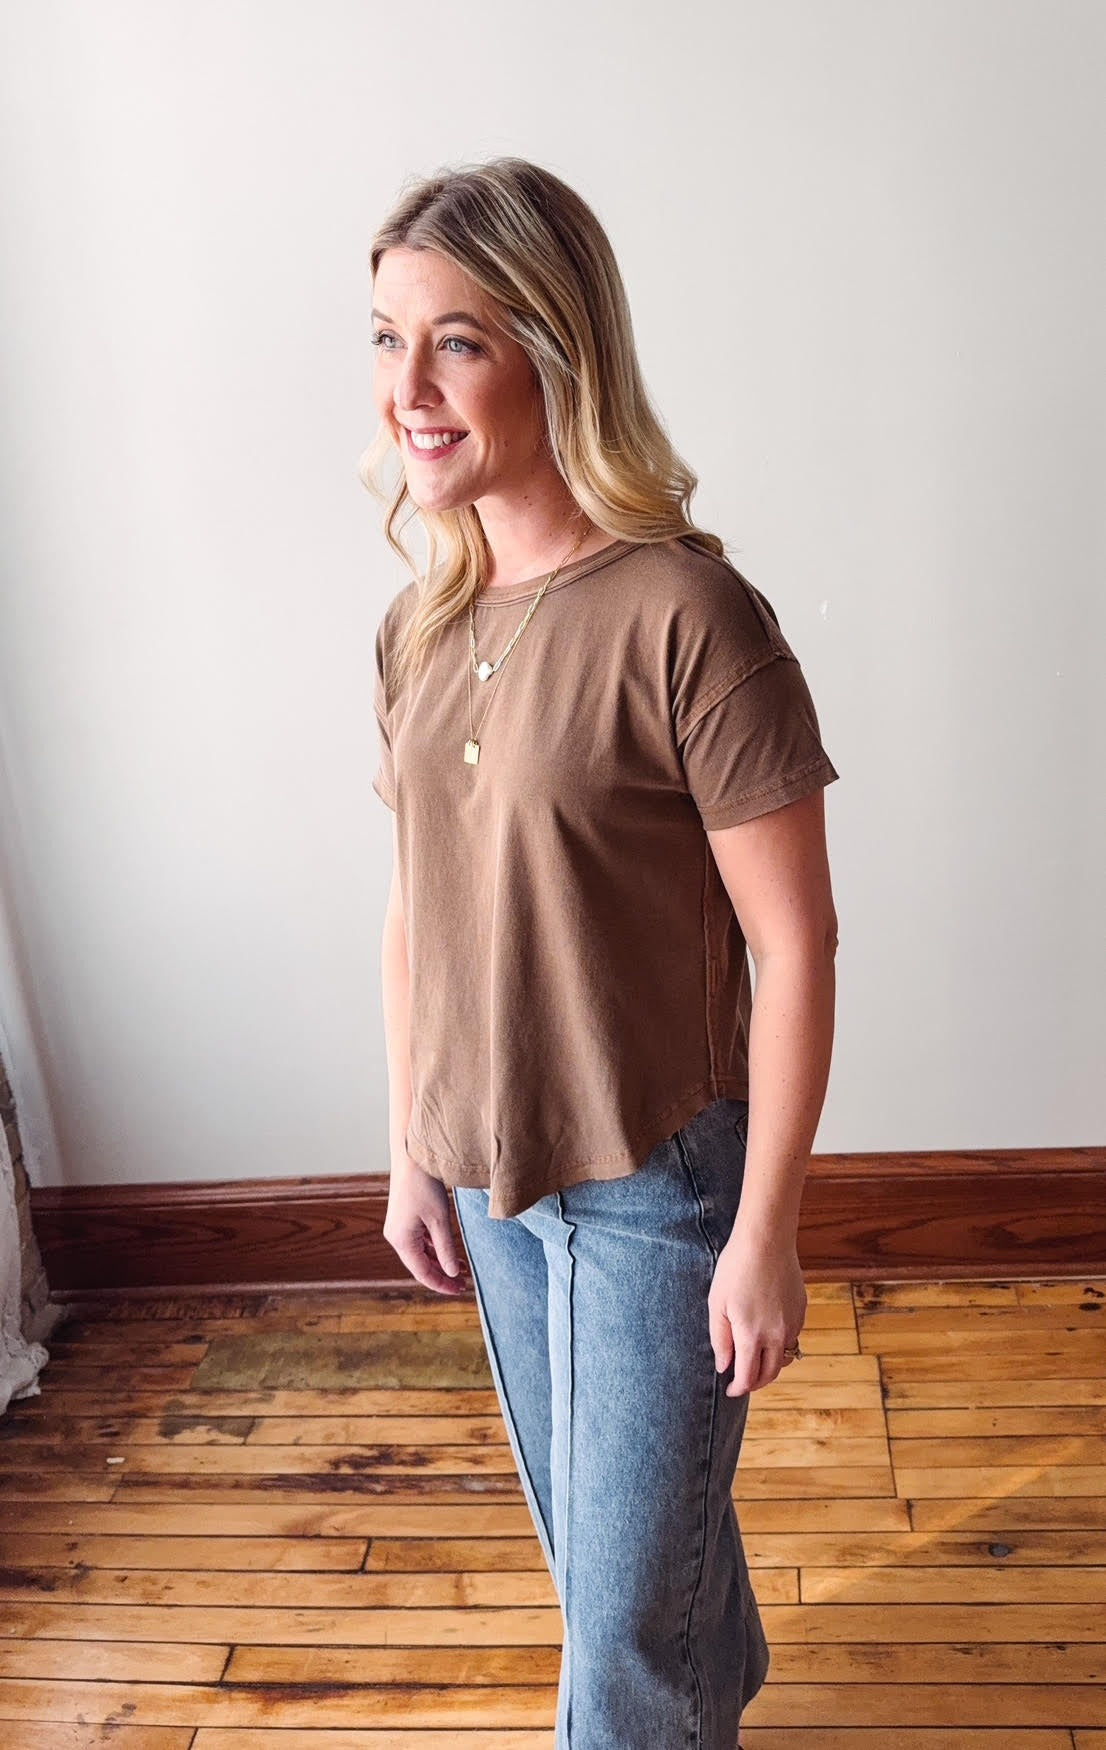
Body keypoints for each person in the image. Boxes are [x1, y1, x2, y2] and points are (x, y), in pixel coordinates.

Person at [363, 156, 839, 1750]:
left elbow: (794, 937)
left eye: (457, 341)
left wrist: (764, 1227)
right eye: (384, 338)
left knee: (620, 1635)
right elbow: (418, 906)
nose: (407, 388)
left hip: (658, 1185)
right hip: (491, 1178)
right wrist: (409, 1147)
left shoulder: (687, 615)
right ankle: (718, 1670)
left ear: (555, 350)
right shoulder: (421, 623)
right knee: (610, 1574)